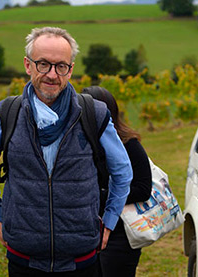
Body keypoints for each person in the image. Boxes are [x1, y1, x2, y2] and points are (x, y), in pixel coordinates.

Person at [0, 27, 133, 276]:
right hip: (23, 258)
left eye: (61, 66)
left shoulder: (94, 113)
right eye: (43, 64)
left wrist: (110, 219)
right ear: (28, 65)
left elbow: (122, 172)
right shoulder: (9, 113)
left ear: (70, 69)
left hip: (81, 259)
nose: (52, 74)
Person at [82, 86, 151, 277]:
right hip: (85, 229)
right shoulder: (81, 143)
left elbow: (143, 189)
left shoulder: (129, 145)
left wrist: (100, 194)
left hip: (120, 234)